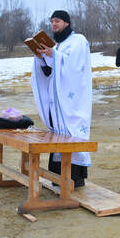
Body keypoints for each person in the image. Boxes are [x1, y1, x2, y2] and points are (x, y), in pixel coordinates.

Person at [31, 10, 92, 188]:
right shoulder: (58, 46)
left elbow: (75, 67)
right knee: (59, 134)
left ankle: (74, 178)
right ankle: (58, 177)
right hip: (58, 103)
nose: (54, 25)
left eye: (57, 21)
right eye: (52, 22)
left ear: (66, 23)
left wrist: (53, 56)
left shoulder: (78, 41)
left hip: (74, 101)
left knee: (72, 133)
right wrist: (42, 58)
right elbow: (51, 71)